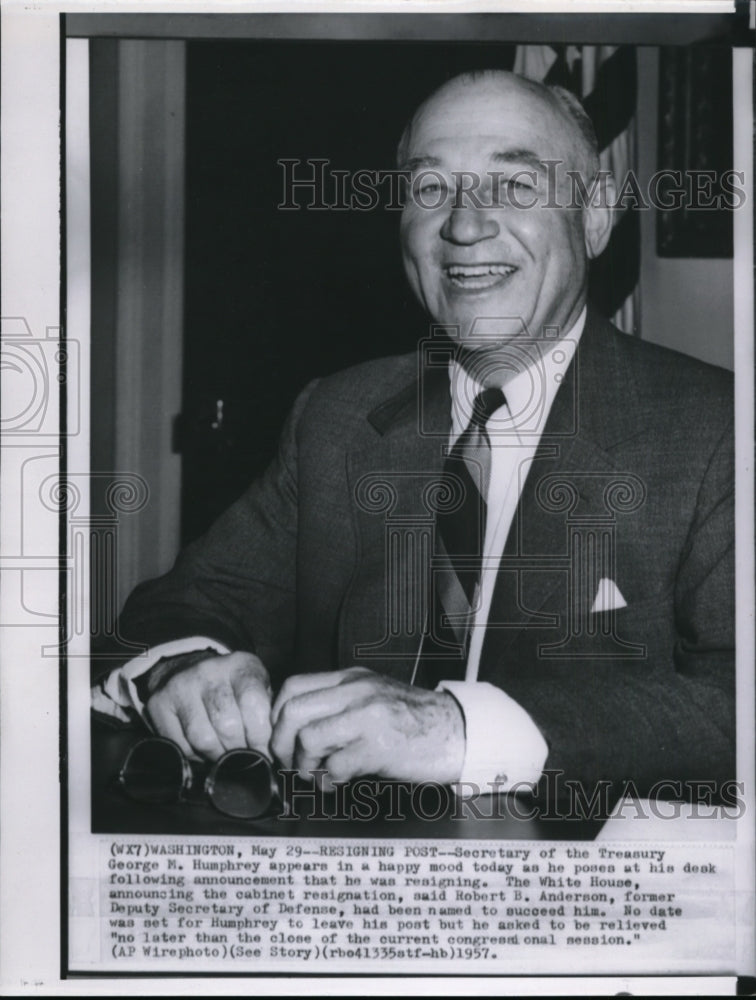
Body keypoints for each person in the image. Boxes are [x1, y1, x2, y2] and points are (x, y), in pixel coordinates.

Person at [93, 70, 734, 803]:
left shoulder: (717, 434)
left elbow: (736, 704)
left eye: (515, 186)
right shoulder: (338, 415)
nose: (464, 226)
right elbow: (184, 606)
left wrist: (453, 730)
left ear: (593, 217)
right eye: (431, 190)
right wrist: (188, 670)